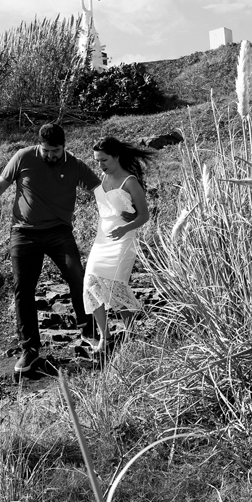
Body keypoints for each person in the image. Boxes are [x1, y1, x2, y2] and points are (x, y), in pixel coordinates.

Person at [0, 123, 128, 375]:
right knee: (23, 289)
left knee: (78, 275)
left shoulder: (73, 165)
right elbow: (1, 183)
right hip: (23, 233)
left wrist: (123, 208)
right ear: (38, 145)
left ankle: (89, 330)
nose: (51, 155)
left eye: (56, 151)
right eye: (46, 151)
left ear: (64, 146)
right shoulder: (23, 157)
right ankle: (29, 350)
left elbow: (100, 190)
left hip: (58, 233)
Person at [83, 137, 154, 356]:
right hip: (102, 239)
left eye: (103, 160)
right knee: (90, 283)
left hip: (123, 239)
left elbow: (144, 216)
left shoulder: (130, 181)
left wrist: (126, 227)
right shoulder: (103, 178)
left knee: (114, 286)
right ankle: (105, 336)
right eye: (96, 161)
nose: (100, 165)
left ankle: (131, 332)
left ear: (116, 157)